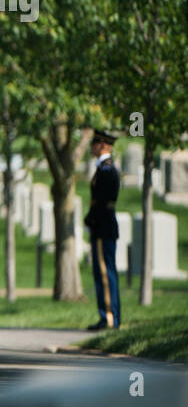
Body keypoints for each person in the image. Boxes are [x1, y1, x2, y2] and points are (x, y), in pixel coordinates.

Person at [84, 129, 121, 330]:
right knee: (103, 273)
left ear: (103, 145)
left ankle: (109, 318)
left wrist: (91, 220)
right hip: (103, 226)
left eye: (95, 143)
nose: (92, 147)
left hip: (103, 227)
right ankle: (107, 315)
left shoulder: (106, 170)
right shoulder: (103, 168)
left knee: (105, 274)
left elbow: (101, 202)